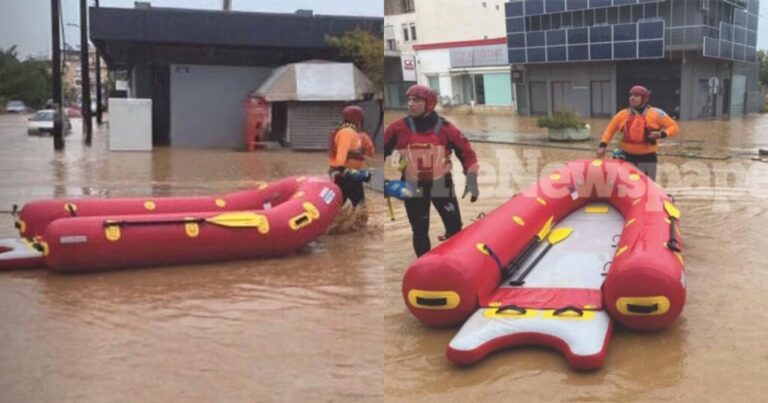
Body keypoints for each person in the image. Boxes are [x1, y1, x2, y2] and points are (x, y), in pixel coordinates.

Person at [384, 84, 479, 257]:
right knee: (419, 231)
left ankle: (453, 263)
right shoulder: (397, 128)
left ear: (429, 104)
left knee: (455, 227)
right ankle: (423, 269)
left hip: (441, 184)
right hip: (412, 187)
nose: (410, 104)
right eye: (409, 100)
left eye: (416, 100)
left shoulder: (447, 129)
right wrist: (381, 181)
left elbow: (467, 154)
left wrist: (471, 179)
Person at [596, 85, 679, 180]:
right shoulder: (623, 114)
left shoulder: (656, 113)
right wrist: (602, 146)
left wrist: (662, 134)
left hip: (648, 158)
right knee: (627, 187)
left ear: (644, 99)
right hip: (627, 157)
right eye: (631, 95)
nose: (632, 98)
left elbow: (674, 127)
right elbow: (609, 131)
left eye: (636, 95)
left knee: (648, 187)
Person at [329, 105, 375, 207]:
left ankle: (340, 221)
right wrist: (342, 169)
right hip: (346, 173)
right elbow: (342, 151)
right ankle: (357, 222)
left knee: (340, 203)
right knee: (359, 203)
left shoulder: (348, 131)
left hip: (345, 173)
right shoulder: (348, 132)